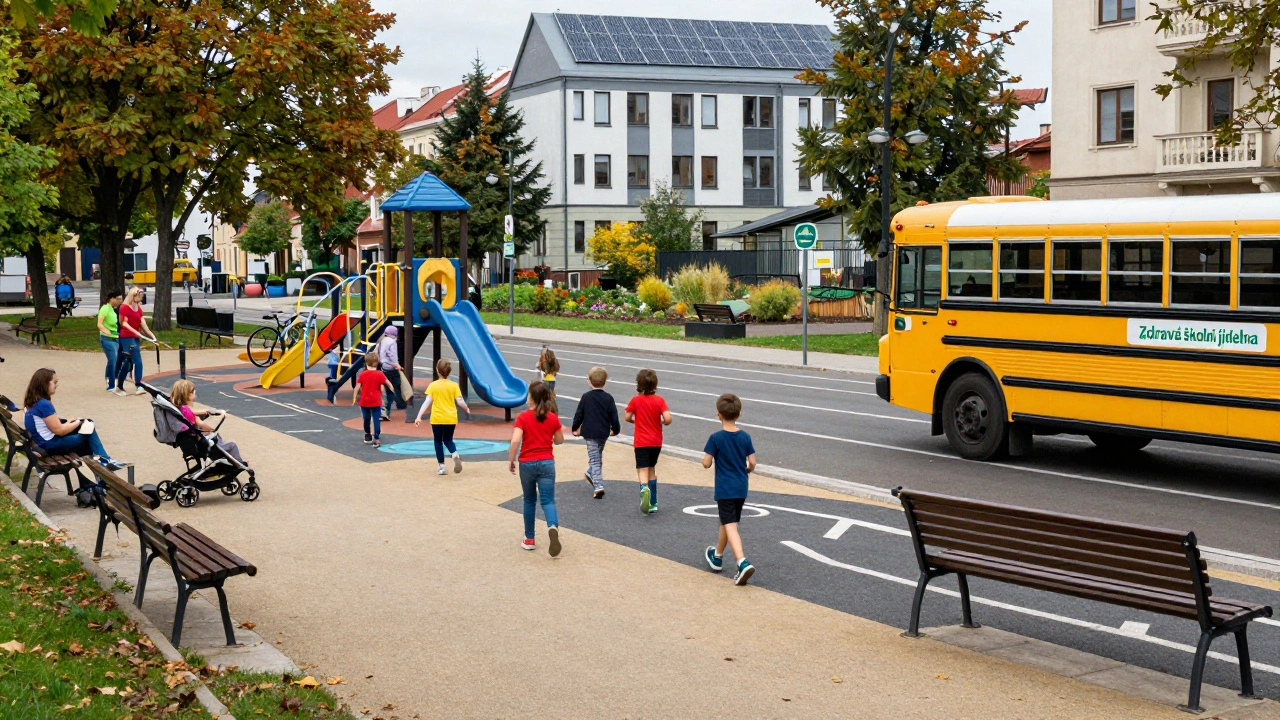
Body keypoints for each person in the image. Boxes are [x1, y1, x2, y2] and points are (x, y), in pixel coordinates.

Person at [701, 393, 757, 586]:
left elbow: (707, 463)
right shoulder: (745, 436)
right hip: (741, 486)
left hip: (725, 487)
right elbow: (752, 462)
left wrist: (705, 461)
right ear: (738, 414)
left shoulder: (716, 438)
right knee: (728, 521)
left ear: (718, 414)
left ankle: (741, 561)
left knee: (730, 524)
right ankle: (717, 556)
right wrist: (747, 469)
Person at [22, 368, 123, 468]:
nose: (56, 385)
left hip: (40, 443)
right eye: (55, 382)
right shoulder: (43, 404)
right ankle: (105, 461)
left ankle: (103, 464)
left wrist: (69, 423)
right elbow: (59, 431)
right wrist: (79, 422)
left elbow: (49, 428)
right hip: (49, 445)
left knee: (86, 436)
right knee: (88, 428)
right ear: (45, 384)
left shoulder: (31, 402)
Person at [508, 380, 564, 556]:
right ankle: (552, 526)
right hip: (547, 462)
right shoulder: (553, 418)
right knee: (548, 500)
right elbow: (559, 440)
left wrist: (511, 459)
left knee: (529, 500)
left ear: (531, 397)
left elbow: (515, 440)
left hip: (527, 463)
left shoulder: (523, 417)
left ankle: (530, 538)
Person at [168, 379, 248, 466]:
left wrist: (208, 412)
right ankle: (240, 464)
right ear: (187, 395)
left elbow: (191, 413)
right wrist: (212, 429)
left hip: (194, 441)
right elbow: (203, 426)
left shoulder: (180, 410)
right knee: (232, 445)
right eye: (192, 392)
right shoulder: (188, 414)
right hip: (204, 444)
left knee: (219, 439)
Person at [625, 368, 671, 515]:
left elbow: (627, 416)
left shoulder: (636, 400)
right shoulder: (660, 400)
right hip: (656, 441)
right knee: (652, 468)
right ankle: (653, 502)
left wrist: (635, 421)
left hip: (641, 441)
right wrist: (662, 422)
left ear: (638, 384)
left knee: (642, 469)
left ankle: (644, 489)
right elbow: (668, 418)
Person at [414, 358, 471, 476]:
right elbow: (460, 401)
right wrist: (466, 409)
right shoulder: (454, 385)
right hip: (450, 417)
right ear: (449, 372)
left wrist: (419, 416)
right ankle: (454, 453)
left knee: (438, 441)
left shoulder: (433, 386)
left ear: (437, 371)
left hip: (437, 418)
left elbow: (427, 401)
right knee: (448, 439)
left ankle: (442, 467)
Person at [571, 366, 619, 499]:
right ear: (605, 382)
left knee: (595, 458)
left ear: (589, 381)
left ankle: (596, 484)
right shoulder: (608, 398)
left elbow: (579, 414)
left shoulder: (586, 397)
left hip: (590, 432)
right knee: (596, 457)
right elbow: (613, 416)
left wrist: (575, 427)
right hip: (603, 432)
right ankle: (597, 482)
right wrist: (615, 429)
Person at [114, 287, 152, 396]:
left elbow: (142, 323)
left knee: (131, 362)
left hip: (135, 337)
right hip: (126, 337)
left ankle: (127, 385)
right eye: (139, 296)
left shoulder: (138, 308)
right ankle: (135, 385)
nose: (140, 299)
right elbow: (123, 324)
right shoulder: (124, 308)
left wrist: (150, 335)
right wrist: (138, 333)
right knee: (134, 360)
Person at [352, 352, 394, 447]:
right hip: (376, 401)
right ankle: (377, 437)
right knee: (376, 420)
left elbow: (357, 387)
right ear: (377, 362)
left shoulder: (363, 374)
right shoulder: (380, 374)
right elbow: (388, 383)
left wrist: (354, 397)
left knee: (366, 418)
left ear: (366, 363)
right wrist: (392, 389)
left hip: (365, 401)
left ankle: (367, 434)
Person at [96, 291, 123, 393]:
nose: (119, 301)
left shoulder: (114, 310)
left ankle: (108, 378)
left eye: (120, 299)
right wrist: (106, 331)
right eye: (118, 299)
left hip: (115, 338)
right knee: (113, 360)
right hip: (107, 338)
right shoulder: (105, 308)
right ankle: (111, 384)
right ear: (112, 298)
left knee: (113, 360)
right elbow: (99, 324)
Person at [376, 326, 405, 420]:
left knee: (387, 388)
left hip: (384, 367)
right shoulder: (392, 342)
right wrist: (397, 365)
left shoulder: (383, 340)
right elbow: (393, 355)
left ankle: (385, 410)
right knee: (395, 387)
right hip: (391, 367)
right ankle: (395, 406)